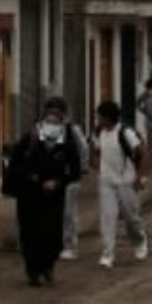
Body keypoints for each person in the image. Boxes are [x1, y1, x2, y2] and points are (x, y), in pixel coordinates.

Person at [11, 97, 83, 286]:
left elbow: (75, 170)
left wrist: (58, 182)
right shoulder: (30, 139)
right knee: (30, 234)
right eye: (48, 120)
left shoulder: (67, 142)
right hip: (30, 196)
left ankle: (48, 265)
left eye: (56, 121)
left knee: (52, 235)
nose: (52, 125)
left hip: (53, 197)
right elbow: (16, 164)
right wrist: (32, 180)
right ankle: (33, 271)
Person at [91, 100, 150, 268]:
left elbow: (143, 153)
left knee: (131, 217)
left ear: (108, 117)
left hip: (126, 181)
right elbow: (95, 152)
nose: (98, 120)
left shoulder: (125, 133)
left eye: (100, 117)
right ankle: (107, 254)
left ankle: (139, 240)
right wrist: (97, 166)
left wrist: (140, 176)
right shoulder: (99, 133)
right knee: (107, 217)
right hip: (106, 182)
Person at [60, 107, 92, 259]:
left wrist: (83, 166)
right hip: (53, 178)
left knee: (68, 213)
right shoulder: (44, 130)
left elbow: (84, 148)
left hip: (71, 177)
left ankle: (70, 245)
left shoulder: (72, 130)